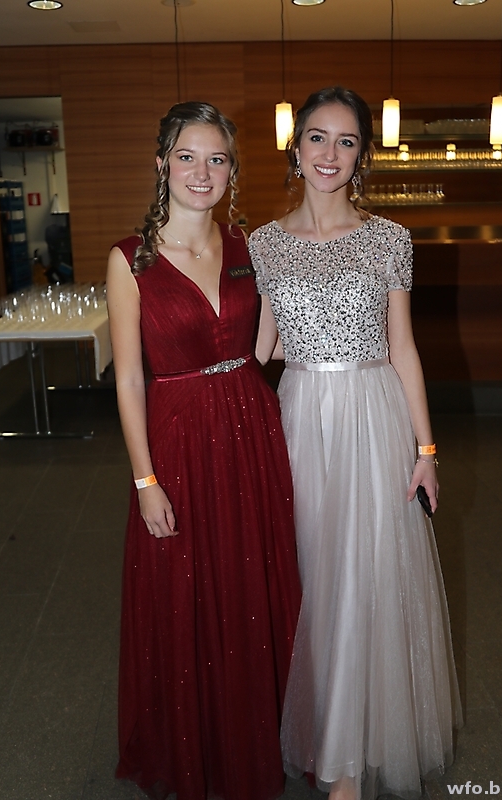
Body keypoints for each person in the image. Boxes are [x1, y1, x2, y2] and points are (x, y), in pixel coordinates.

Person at [248, 86, 462, 800]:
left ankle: (345, 767)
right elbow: (261, 348)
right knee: (315, 579)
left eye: (346, 141)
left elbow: (404, 350)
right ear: (296, 148)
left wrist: (425, 451)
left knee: (365, 580)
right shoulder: (263, 243)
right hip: (299, 419)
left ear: (362, 155)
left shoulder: (388, 238)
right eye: (317, 137)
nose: (330, 153)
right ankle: (328, 736)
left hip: (374, 418)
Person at [106, 101, 301, 800]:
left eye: (216, 159)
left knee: (255, 583)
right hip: (179, 439)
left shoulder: (249, 247)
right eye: (187, 156)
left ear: (231, 171)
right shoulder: (130, 258)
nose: (201, 171)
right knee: (184, 589)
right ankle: (197, 744)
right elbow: (129, 379)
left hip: (251, 427)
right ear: (162, 164)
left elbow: (265, 349)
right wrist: (145, 480)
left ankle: (263, 734)